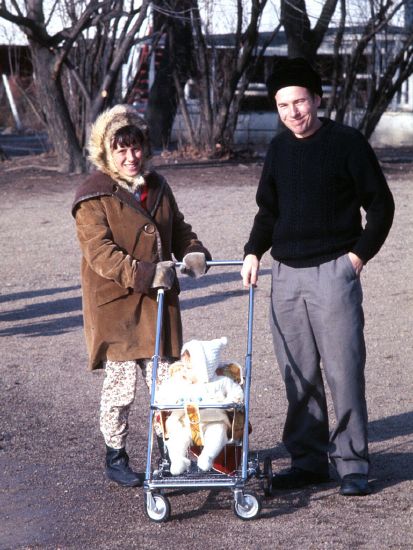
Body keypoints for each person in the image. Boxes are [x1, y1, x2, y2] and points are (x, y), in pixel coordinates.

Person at [241, 58, 394, 496]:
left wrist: (356, 258)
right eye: (283, 104)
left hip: (334, 273)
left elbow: (381, 206)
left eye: (300, 102)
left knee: (344, 371)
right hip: (285, 275)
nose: (292, 112)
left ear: (317, 100)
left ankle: (351, 464)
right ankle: (308, 462)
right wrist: (254, 251)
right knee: (297, 373)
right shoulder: (278, 149)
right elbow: (268, 210)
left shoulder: (346, 142)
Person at [72, 104, 211, 487]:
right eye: (121, 150)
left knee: (167, 386)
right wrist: (148, 273)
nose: (130, 157)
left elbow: (178, 228)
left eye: (135, 148)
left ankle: (170, 453)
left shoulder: (159, 186)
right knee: (121, 391)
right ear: (105, 152)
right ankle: (115, 457)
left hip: (158, 305)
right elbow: (101, 254)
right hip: (116, 309)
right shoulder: (93, 196)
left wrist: (193, 250)